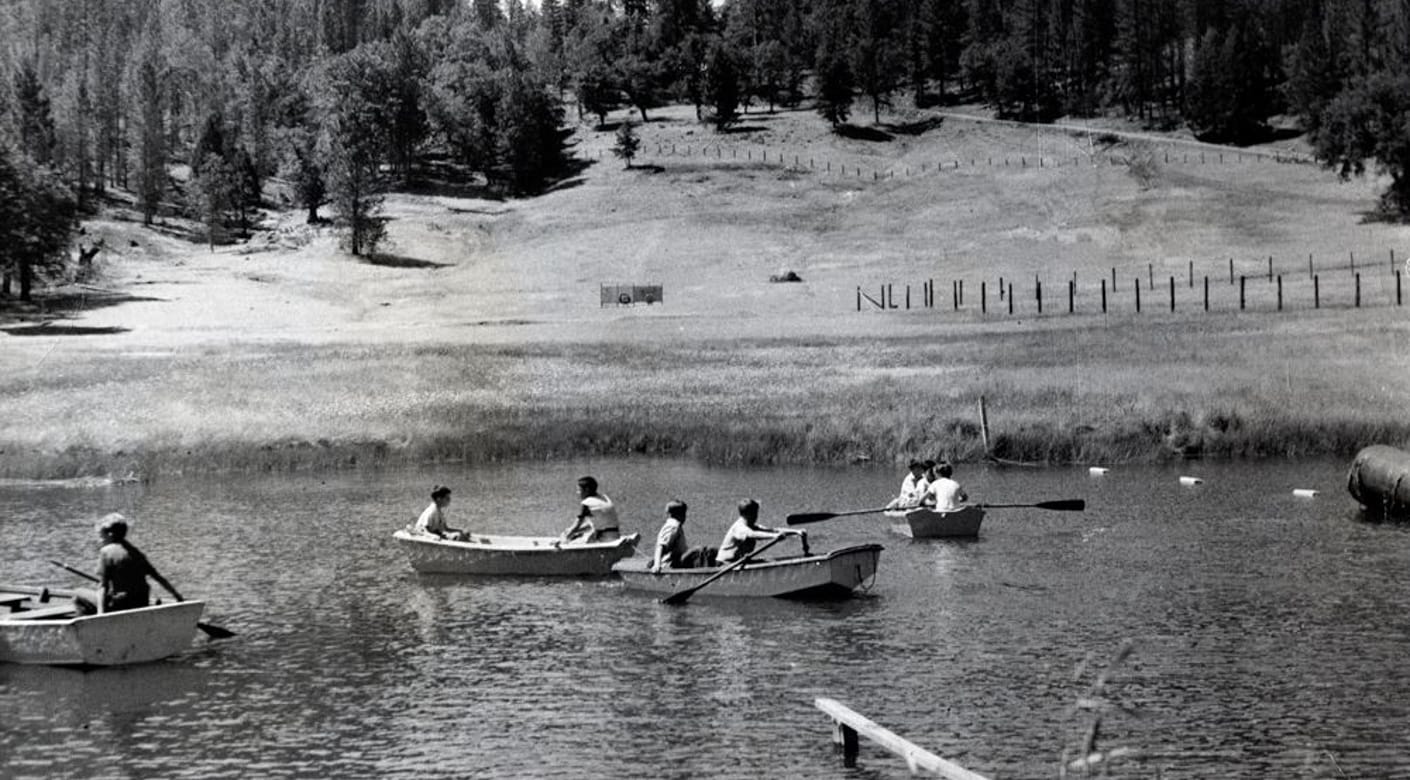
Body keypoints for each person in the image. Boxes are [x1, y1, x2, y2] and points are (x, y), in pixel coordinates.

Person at [96, 513, 183, 613]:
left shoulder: (106, 552)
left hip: (121, 604)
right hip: (142, 601)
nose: (100, 541)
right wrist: (178, 596)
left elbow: (102, 587)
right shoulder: (135, 552)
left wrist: (100, 614)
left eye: (101, 537)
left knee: (78, 594)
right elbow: (158, 577)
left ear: (110, 535)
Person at [715, 499, 805, 567]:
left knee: (770, 561)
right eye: (755, 513)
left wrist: (796, 532)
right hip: (725, 565)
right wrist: (774, 536)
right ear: (748, 514)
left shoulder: (752, 526)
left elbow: (773, 530)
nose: (757, 516)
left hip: (739, 562)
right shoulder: (739, 527)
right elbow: (751, 534)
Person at [649, 500, 715, 572]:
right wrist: (657, 565)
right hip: (670, 564)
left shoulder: (673, 525)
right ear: (680, 514)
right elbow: (661, 546)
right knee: (700, 551)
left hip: (676, 561)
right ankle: (707, 572)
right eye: (684, 514)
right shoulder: (673, 526)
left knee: (706, 551)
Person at [561, 476, 621, 543]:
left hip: (604, 539)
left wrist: (563, 540)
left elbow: (576, 525)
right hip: (615, 536)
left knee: (571, 541)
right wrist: (575, 531)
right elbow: (593, 525)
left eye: (579, 490)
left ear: (587, 490)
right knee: (578, 535)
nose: (577, 493)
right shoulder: (604, 498)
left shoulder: (587, 503)